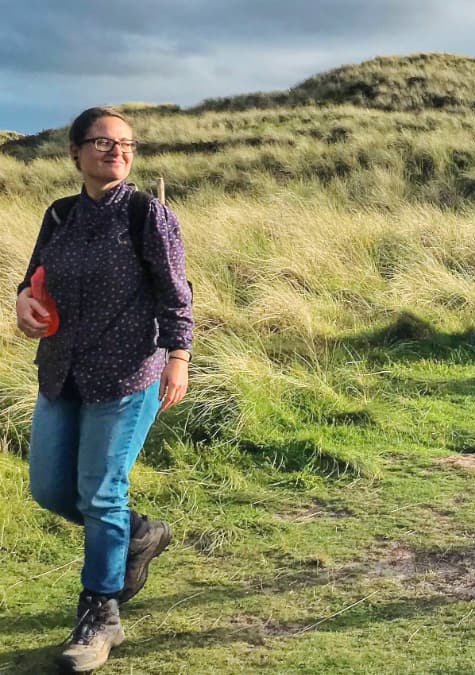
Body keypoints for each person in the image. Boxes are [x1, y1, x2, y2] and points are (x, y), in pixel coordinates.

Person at [15, 106, 192, 673]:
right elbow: (34, 277)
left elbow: (175, 293)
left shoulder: (147, 215)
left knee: (101, 494)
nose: (116, 151)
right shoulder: (60, 214)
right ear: (75, 152)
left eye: (126, 144)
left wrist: (179, 358)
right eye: (102, 142)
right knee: (49, 490)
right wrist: (23, 301)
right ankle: (138, 534)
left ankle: (99, 616)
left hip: (127, 372)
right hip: (61, 371)